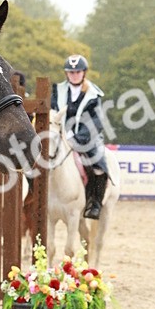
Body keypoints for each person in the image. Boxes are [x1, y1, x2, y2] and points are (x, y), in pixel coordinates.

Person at [51, 54, 109, 219]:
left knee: (99, 165)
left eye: (77, 72)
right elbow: (52, 111)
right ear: (66, 73)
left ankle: (94, 204)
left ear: (84, 73)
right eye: (71, 72)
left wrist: (77, 137)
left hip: (87, 137)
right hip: (59, 135)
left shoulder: (93, 94)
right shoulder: (58, 90)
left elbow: (96, 121)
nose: (74, 75)